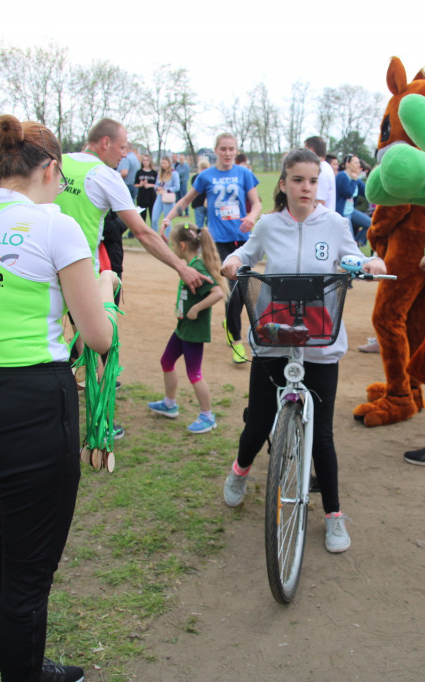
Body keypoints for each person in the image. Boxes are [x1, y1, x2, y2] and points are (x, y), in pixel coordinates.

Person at [0, 114, 114, 682]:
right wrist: (107, 293)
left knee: (0, 552)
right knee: (28, 572)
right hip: (32, 407)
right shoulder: (55, 224)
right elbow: (98, 337)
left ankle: (21, 667)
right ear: (53, 170)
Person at [219, 148, 387, 553]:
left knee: (322, 436)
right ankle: (241, 470)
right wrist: (233, 259)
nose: (306, 187)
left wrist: (367, 264)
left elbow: (350, 256)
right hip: (274, 335)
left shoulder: (334, 222)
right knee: (258, 422)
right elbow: (248, 253)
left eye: (312, 180)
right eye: (297, 180)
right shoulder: (268, 224)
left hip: (319, 340)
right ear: (284, 184)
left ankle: (333, 516)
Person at [53, 119, 205, 290]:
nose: (125, 154)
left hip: (46, 269)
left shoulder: (58, 163)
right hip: (81, 274)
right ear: (106, 143)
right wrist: (181, 266)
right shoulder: (107, 176)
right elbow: (142, 232)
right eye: (122, 147)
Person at [163, 133, 261, 364]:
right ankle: (236, 342)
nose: (227, 153)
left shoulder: (244, 174)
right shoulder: (206, 176)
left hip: (242, 240)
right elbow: (185, 201)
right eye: (223, 149)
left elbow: (256, 202)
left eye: (231, 149)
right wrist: (167, 218)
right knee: (231, 290)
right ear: (216, 151)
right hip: (218, 243)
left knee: (242, 292)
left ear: (236, 151)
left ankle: (231, 322)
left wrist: (252, 216)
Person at [148, 223, 226, 433]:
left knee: (194, 374)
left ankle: (207, 416)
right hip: (182, 328)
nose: (173, 248)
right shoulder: (190, 264)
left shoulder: (198, 267)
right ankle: (169, 404)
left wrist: (196, 309)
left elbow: (218, 293)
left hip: (193, 331)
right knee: (167, 361)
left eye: (173, 244)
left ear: (182, 245)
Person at [335, 153, 371, 246]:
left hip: (351, 211)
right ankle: (352, 248)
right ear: (348, 164)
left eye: (359, 163)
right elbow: (348, 193)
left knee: (370, 224)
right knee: (348, 239)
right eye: (356, 163)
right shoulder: (341, 176)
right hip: (343, 213)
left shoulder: (356, 179)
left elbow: (367, 192)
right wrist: (354, 180)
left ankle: (358, 242)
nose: (359, 165)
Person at [304, 136, 336, 213]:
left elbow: (319, 203)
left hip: (321, 221)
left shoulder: (321, 171)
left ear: (311, 150)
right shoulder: (326, 166)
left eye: (305, 150)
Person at [151, 156, 180, 233]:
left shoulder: (174, 174)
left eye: (165, 163)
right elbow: (156, 184)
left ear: (169, 163)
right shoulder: (160, 174)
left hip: (168, 198)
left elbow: (177, 187)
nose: (163, 165)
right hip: (160, 197)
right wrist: (157, 188)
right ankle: (155, 236)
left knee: (167, 220)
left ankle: (166, 238)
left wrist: (167, 190)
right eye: (162, 163)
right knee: (154, 218)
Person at [133, 153, 157, 224]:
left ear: (150, 161)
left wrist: (149, 185)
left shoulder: (154, 172)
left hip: (151, 196)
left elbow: (158, 185)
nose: (145, 162)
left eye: (147, 160)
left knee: (153, 216)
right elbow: (135, 184)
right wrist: (141, 184)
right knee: (142, 217)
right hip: (142, 196)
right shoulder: (139, 172)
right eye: (144, 160)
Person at [190, 158, 210, 228]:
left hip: (199, 203)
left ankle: (199, 238)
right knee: (209, 225)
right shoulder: (209, 178)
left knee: (199, 225)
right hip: (207, 203)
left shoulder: (195, 178)